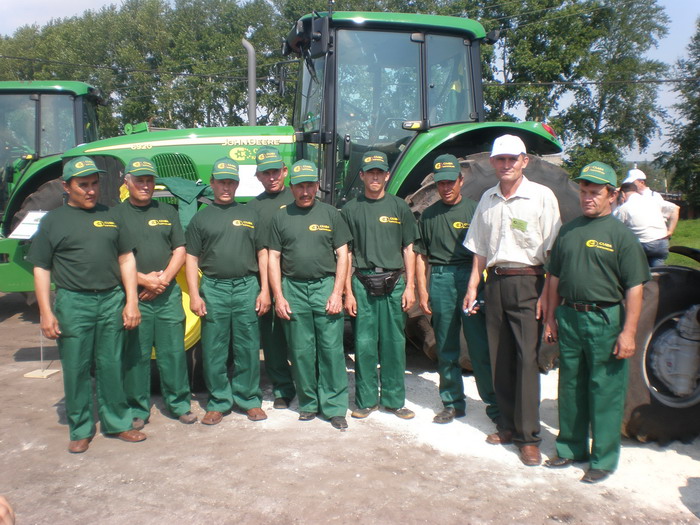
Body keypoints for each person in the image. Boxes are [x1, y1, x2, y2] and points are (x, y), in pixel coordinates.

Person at [28, 156, 146, 453]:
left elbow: (126, 259)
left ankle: (117, 422)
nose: (91, 190)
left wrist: (131, 301)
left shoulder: (112, 216)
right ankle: (80, 428)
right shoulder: (53, 221)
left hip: (110, 299)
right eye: (83, 185)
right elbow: (41, 268)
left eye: (95, 184)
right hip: (73, 302)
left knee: (111, 363)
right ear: (66, 187)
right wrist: (46, 311)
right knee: (76, 367)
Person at [543, 161, 650, 483]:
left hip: (605, 319)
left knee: (605, 389)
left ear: (613, 195)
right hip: (570, 316)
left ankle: (603, 458)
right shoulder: (569, 229)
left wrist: (629, 332)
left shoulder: (622, 236)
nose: (588, 197)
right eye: (584, 191)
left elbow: (635, 288)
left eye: (595, 192)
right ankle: (570, 448)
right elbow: (553, 277)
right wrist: (549, 317)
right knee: (571, 385)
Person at [462, 135, 561, 466]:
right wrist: (473, 286)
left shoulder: (541, 197)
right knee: (500, 359)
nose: (506, 165)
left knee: (526, 362)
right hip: (496, 284)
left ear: (524, 161)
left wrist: (547, 298)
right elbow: (479, 248)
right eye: (500, 159)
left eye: (511, 159)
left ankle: (529, 436)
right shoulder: (487, 199)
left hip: (528, 284)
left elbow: (552, 255)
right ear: (492, 163)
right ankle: (506, 425)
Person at [414, 154, 499, 425]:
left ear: (461, 180)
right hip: (439, 279)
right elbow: (421, 256)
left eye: (451, 182)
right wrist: (422, 291)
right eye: (441, 183)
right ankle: (452, 402)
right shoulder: (428, 215)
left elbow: (483, 251)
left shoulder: (475, 210)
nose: (446, 188)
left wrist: (477, 284)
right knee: (446, 345)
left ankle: (493, 404)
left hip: (469, 276)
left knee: (478, 345)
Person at [112, 157, 196, 429]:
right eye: (139, 180)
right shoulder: (115, 216)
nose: (145, 185)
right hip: (134, 297)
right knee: (135, 356)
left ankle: (179, 404)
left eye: (149, 180)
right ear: (127, 182)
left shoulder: (167, 211)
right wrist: (142, 281)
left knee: (173, 353)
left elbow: (180, 249)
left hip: (167, 294)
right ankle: (138, 409)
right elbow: (111, 258)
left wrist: (163, 280)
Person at [268, 160, 351, 430]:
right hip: (293, 288)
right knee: (302, 351)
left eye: (310, 185)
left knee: (330, 350)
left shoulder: (331, 215)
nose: (305, 191)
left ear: (317, 186)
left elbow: (343, 255)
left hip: (324, 287)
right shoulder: (280, 217)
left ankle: (335, 407)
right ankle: (309, 404)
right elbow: (273, 258)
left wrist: (338, 292)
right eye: (300, 186)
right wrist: (278, 296)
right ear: (291, 187)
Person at [185, 158, 269, 425]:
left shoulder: (250, 215)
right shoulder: (201, 218)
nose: (226, 186)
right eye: (221, 181)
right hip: (214, 288)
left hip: (246, 286)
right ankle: (219, 401)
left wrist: (264, 289)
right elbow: (190, 259)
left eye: (230, 181)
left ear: (237, 183)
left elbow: (263, 253)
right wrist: (195, 295)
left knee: (247, 346)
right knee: (214, 348)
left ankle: (249, 399)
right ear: (212, 183)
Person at [342, 151, 419, 420]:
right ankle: (365, 401)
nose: (375, 177)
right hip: (362, 283)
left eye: (380, 172)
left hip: (394, 282)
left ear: (387, 175)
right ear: (362, 176)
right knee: (363, 343)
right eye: (370, 172)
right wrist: (347, 291)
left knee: (394, 343)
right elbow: (346, 253)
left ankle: (394, 400)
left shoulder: (399, 207)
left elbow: (409, 247)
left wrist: (410, 287)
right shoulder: (351, 209)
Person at [246, 146, 296, 409]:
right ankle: (282, 388)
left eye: (276, 171)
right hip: (267, 280)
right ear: (258, 176)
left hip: (299, 280)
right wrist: (266, 290)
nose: (272, 177)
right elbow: (259, 251)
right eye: (266, 173)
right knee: (274, 338)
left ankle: (311, 384)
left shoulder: (301, 196)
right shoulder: (253, 208)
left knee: (303, 339)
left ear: (284, 171)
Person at [616, 183, 670, 267]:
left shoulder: (625, 207)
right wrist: (670, 230)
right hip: (662, 241)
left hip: (644, 243)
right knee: (658, 271)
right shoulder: (652, 201)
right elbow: (675, 208)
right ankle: (658, 278)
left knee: (638, 270)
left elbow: (617, 229)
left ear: (623, 193)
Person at [621, 167, 680, 236]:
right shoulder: (630, 196)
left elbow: (674, 209)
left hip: (655, 236)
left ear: (642, 182)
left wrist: (670, 231)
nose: (629, 186)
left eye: (632, 183)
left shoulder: (654, 196)